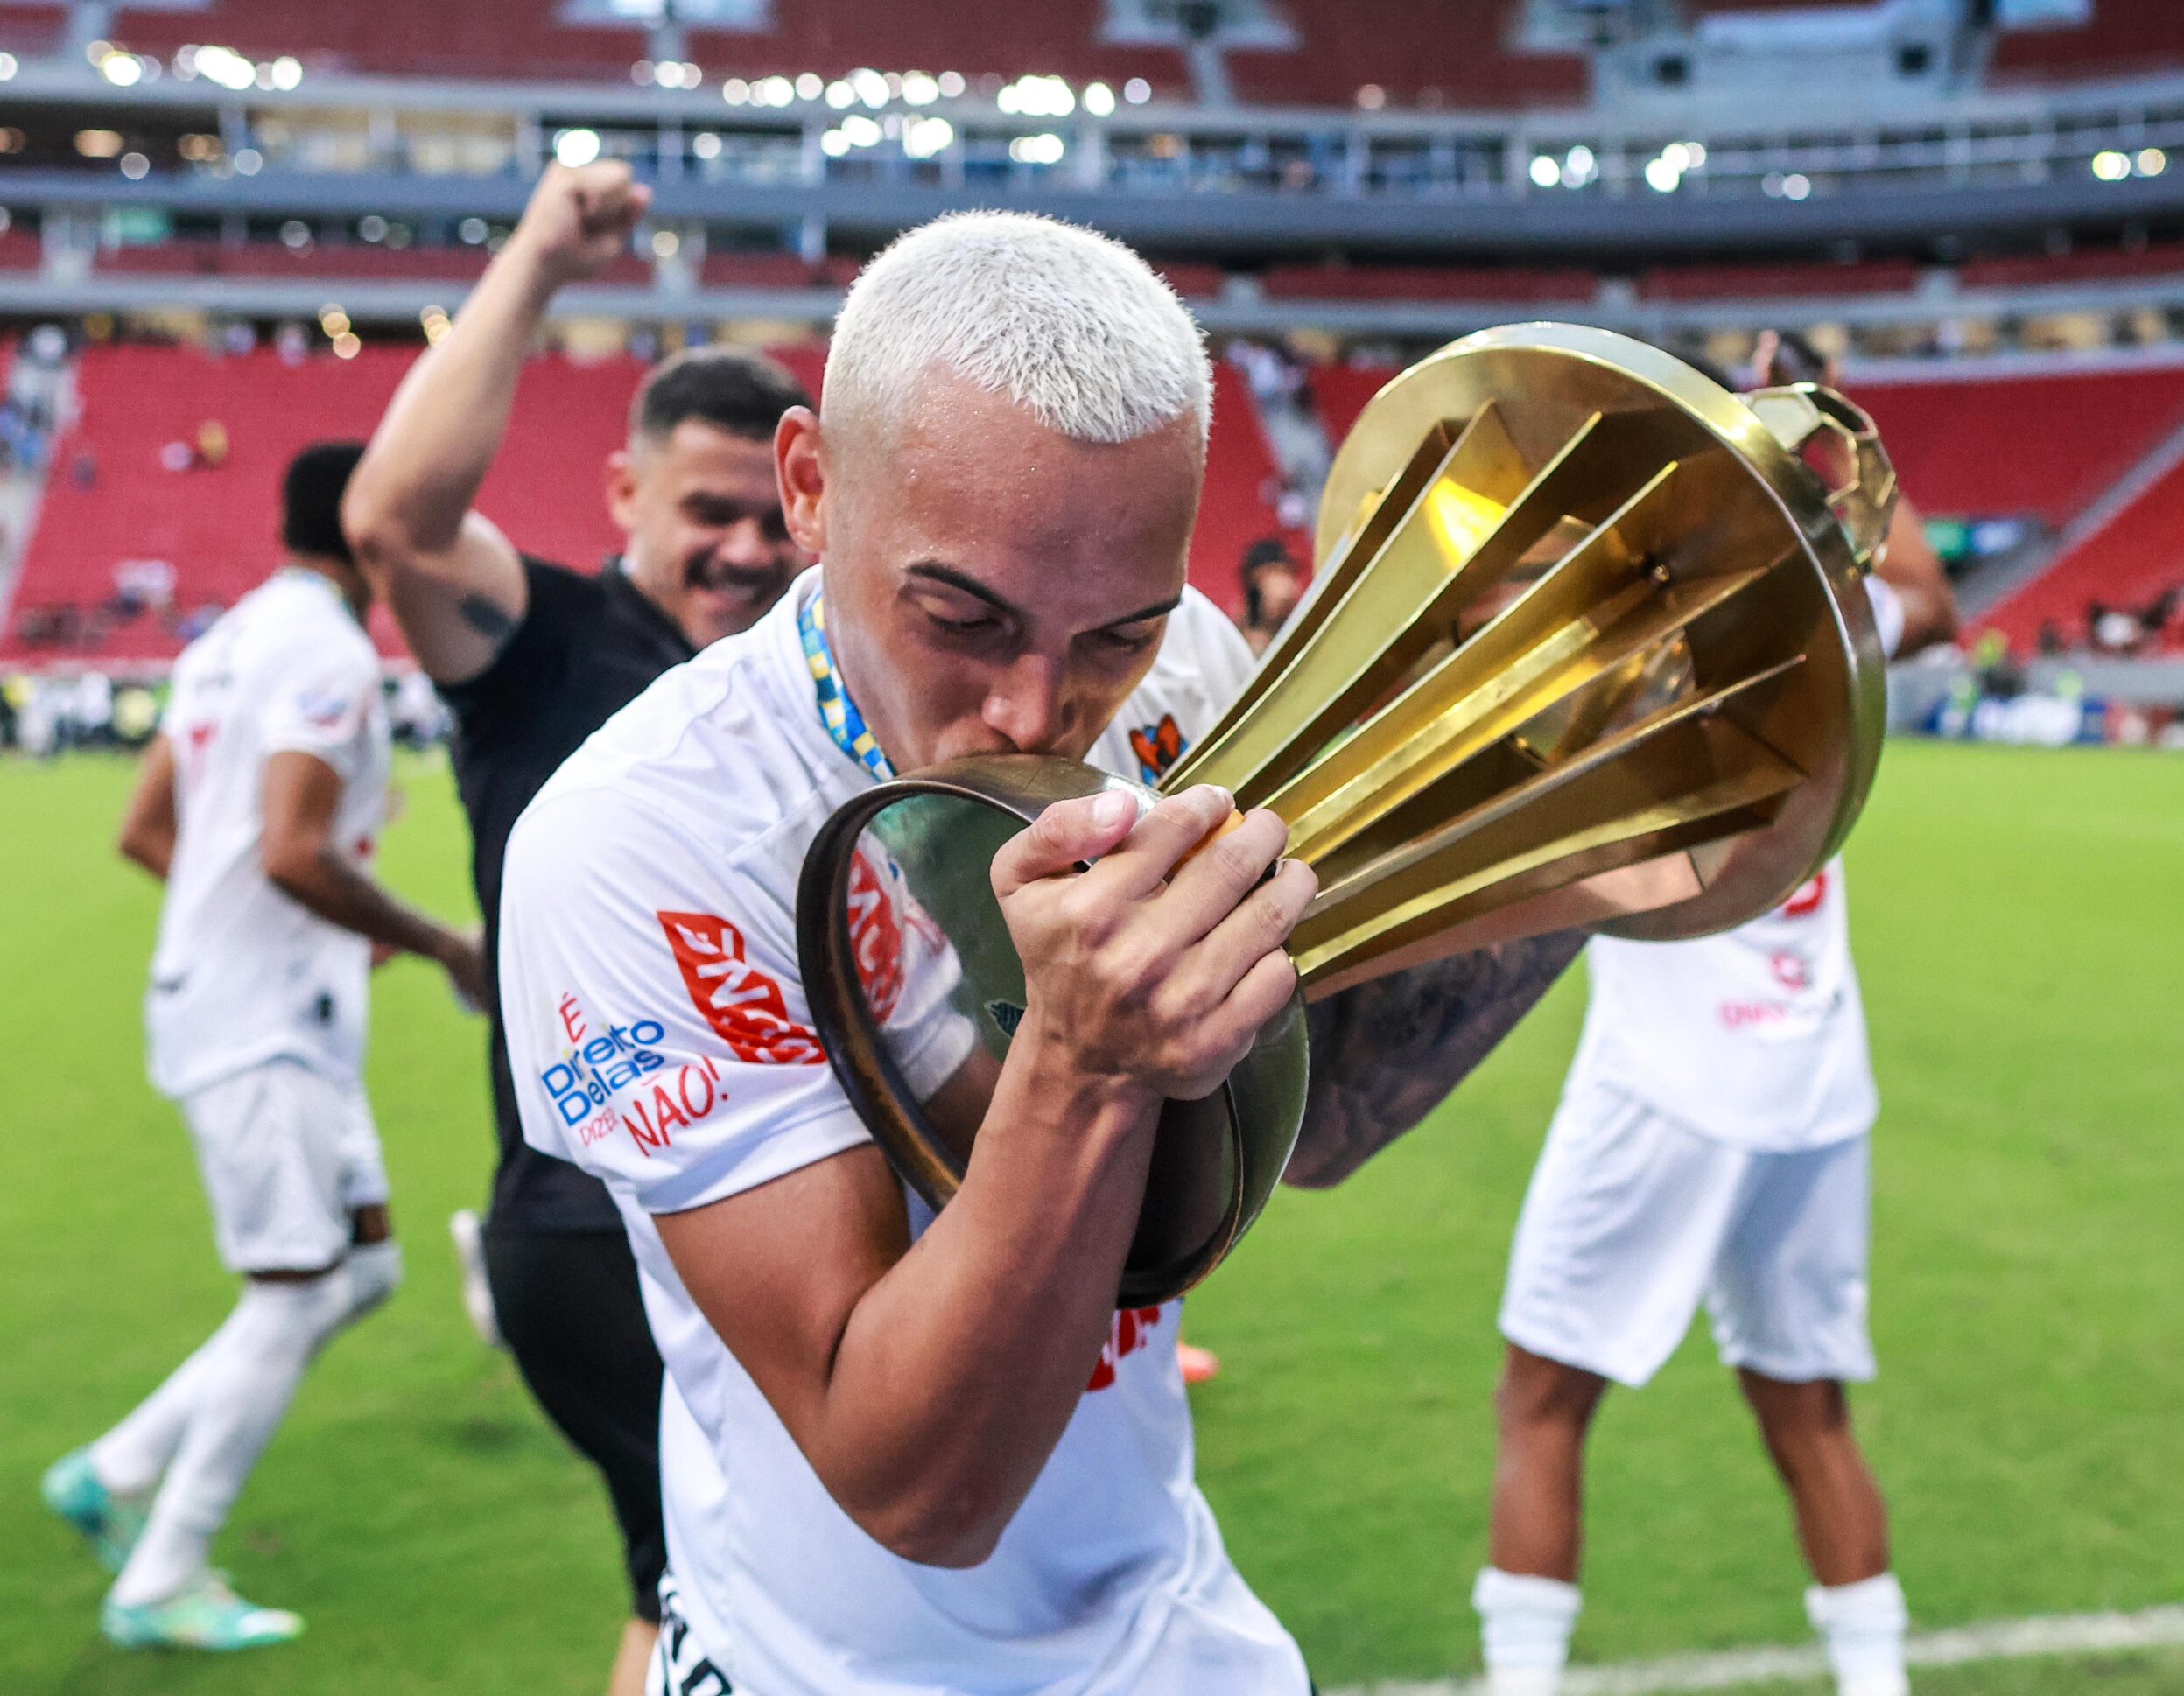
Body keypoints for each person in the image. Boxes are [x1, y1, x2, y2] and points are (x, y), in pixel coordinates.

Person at [496, 210, 1587, 1696]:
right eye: (963, 614)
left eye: (1113, 633)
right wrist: (1080, 1061)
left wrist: (1567, 852)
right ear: (810, 488)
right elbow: (915, 1484)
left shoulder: (1189, 669)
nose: (1036, 710)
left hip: (1165, 1617)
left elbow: (1309, 1124)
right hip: (832, 1665)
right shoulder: (644, 839)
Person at [339, 158, 812, 1696]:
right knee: (752, 1590)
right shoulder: (547, 649)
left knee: (690, 1584)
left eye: (772, 515)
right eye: (704, 513)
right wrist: (540, 256)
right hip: (603, 1221)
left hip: (776, 1194)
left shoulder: (821, 669)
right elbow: (397, 522)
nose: (744, 550)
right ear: (624, 497)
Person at [1471, 336, 1959, 1696]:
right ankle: (1879, 1681)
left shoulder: (1608, 626)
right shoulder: (1827, 609)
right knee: (1809, 1416)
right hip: (1816, 1075)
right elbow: (1932, 590)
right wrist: (1831, 415)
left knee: (1543, 1401)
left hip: (1668, 1072)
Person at [42, 442, 486, 1651]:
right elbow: (292, 850)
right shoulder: (328, 650)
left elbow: (155, 832)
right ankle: (163, 1570)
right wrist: (440, 940)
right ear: (367, 526)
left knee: (364, 1269)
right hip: (261, 1026)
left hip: (253, 1004)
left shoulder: (228, 637)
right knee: (295, 1292)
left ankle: (119, 1465)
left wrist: (320, 923)